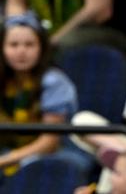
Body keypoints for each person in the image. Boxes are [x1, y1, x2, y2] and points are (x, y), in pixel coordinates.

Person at [0, 12, 78, 174]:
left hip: (54, 154)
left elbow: (49, 143)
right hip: (8, 151)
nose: (21, 51)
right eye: (13, 45)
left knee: (31, 165)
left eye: (29, 45)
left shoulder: (54, 82)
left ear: (41, 48)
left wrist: (6, 160)